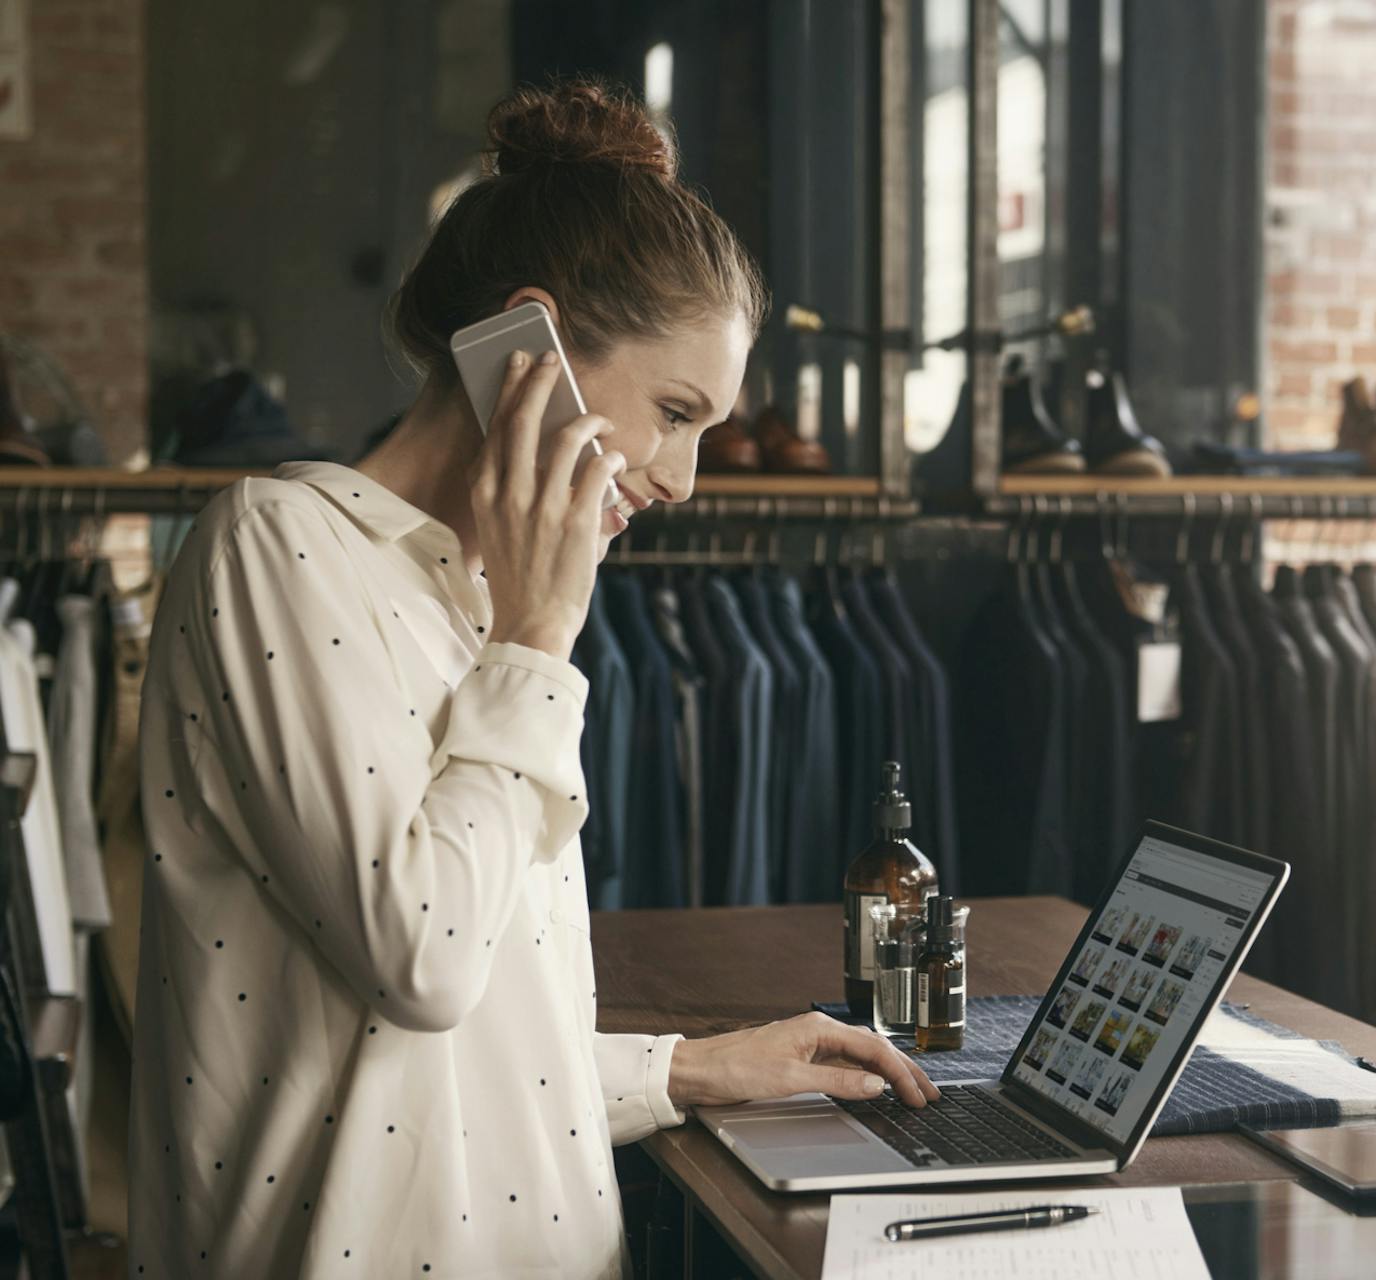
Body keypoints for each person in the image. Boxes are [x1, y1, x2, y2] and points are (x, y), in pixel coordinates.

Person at [127, 80, 937, 1276]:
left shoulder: (478, 597)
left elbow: (462, 1062)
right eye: (675, 410)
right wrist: (541, 634)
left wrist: (687, 1065)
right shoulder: (278, 547)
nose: (685, 477)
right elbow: (425, 958)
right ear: (528, 348)